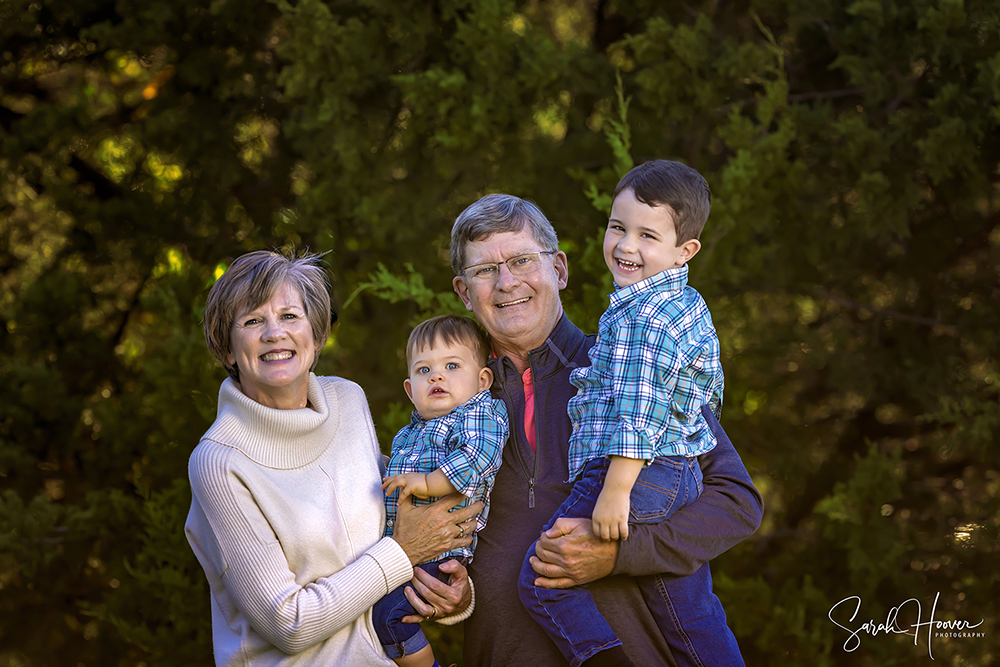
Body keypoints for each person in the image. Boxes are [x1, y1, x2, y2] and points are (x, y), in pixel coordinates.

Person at [436, 193, 764, 666]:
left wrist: (619, 554)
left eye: (523, 260)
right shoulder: (449, 403)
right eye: (485, 270)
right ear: (464, 292)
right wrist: (448, 588)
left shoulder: (629, 368)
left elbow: (736, 502)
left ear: (560, 270)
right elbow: (434, 531)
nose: (507, 282)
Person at [185, 250, 479, 667]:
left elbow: (405, 514)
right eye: (252, 321)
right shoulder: (219, 462)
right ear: (228, 349)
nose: (274, 333)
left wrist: (453, 593)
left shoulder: (347, 400)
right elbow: (289, 624)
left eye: (290, 316)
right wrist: (403, 551)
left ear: (316, 334)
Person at [517, 160, 743, 667]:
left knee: (543, 579)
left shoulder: (643, 318)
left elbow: (639, 411)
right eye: (618, 227)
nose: (625, 246)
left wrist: (615, 492)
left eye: (647, 235)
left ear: (685, 250)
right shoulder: (679, 303)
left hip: (633, 472)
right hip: (677, 470)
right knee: (689, 613)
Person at [374, 315, 508, 667]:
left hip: (441, 555)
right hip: (403, 553)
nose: (436, 376)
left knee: (387, 620)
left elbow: (479, 457)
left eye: (451, 366)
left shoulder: (478, 414)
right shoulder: (407, 435)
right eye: (423, 371)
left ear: (482, 380)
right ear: (409, 390)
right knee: (377, 618)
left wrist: (427, 482)